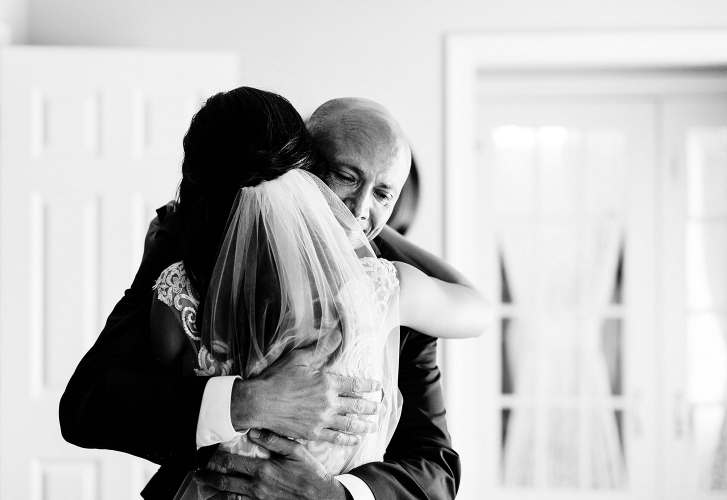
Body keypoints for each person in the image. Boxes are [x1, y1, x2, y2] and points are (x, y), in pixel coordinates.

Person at [60, 90, 471, 500]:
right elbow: (88, 405)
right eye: (345, 177)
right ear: (300, 166)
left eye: (383, 193)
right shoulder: (189, 244)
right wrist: (245, 402)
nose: (360, 208)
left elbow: (435, 469)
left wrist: (334, 494)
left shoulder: (389, 288)